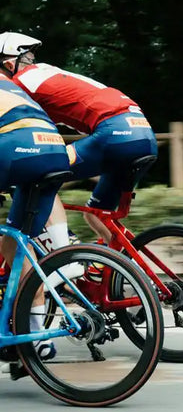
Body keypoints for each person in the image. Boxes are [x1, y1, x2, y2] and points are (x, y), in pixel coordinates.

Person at [0, 33, 157, 257]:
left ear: (8, 63)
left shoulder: (19, 82)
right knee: (96, 214)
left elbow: (27, 129)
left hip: (114, 133)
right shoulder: (50, 73)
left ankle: (64, 254)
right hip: (142, 134)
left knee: (45, 173)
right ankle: (126, 271)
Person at [0, 32, 73, 361]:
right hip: (54, 151)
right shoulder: (16, 88)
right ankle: (36, 339)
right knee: (17, 244)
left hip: (19, 151)